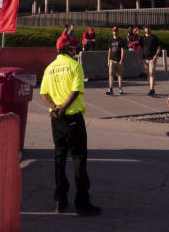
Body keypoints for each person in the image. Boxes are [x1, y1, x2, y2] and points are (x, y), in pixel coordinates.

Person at [39, 40, 101, 217]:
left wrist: (54, 107)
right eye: (73, 48)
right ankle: (82, 203)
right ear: (68, 50)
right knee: (78, 159)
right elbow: (75, 91)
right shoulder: (75, 66)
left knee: (59, 158)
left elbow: (43, 93)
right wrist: (63, 107)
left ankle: (60, 199)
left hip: (56, 120)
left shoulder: (49, 68)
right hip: (72, 118)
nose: (75, 51)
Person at [139, 25, 162, 96]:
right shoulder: (142, 38)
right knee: (148, 74)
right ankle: (151, 87)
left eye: (148, 28)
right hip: (145, 59)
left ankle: (152, 89)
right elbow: (139, 48)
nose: (147, 29)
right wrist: (139, 58)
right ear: (144, 29)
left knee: (151, 73)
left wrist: (156, 55)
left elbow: (159, 47)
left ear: (150, 29)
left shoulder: (154, 38)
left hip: (152, 58)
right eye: (146, 28)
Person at [106, 26, 125, 95]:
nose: (115, 32)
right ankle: (110, 88)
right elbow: (109, 50)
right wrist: (108, 60)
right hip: (112, 60)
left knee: (119, 75)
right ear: (112, 32)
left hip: (118, 60)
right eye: (114, 31)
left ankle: (120, 88)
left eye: (116, 31)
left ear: (118, 31)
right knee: (111, 74)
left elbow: (122, 50)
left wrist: (121, 59)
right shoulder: (111, 40)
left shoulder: (120, 40)